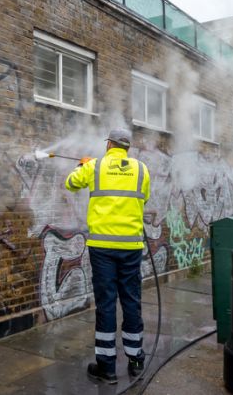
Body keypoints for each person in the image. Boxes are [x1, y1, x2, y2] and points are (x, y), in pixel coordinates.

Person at [65, 128, 150, 384]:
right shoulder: (142, 170)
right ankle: (136, 363)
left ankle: (107, 368)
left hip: (102, 248)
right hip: (131, 247)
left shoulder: (95, 166)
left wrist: (84, 165)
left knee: (106, 304)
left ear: (109, 144)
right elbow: (142, 199)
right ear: (127, 147)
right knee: (131, 301)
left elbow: (70, 183)